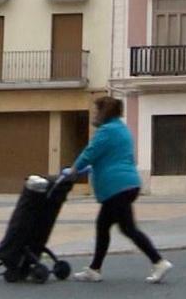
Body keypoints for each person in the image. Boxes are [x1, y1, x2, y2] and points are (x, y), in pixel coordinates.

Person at [68, 96, 172, 284]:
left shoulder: (106, 131)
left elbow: (90, 153)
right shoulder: (122, 130)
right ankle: (94, 269)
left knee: (127, 228)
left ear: (104, 112)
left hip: (116, 187)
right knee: (104, 226)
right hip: (128, 184)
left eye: (96, 110)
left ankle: (159, 261)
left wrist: (74, 170)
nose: (94, 113)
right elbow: (114, 156)